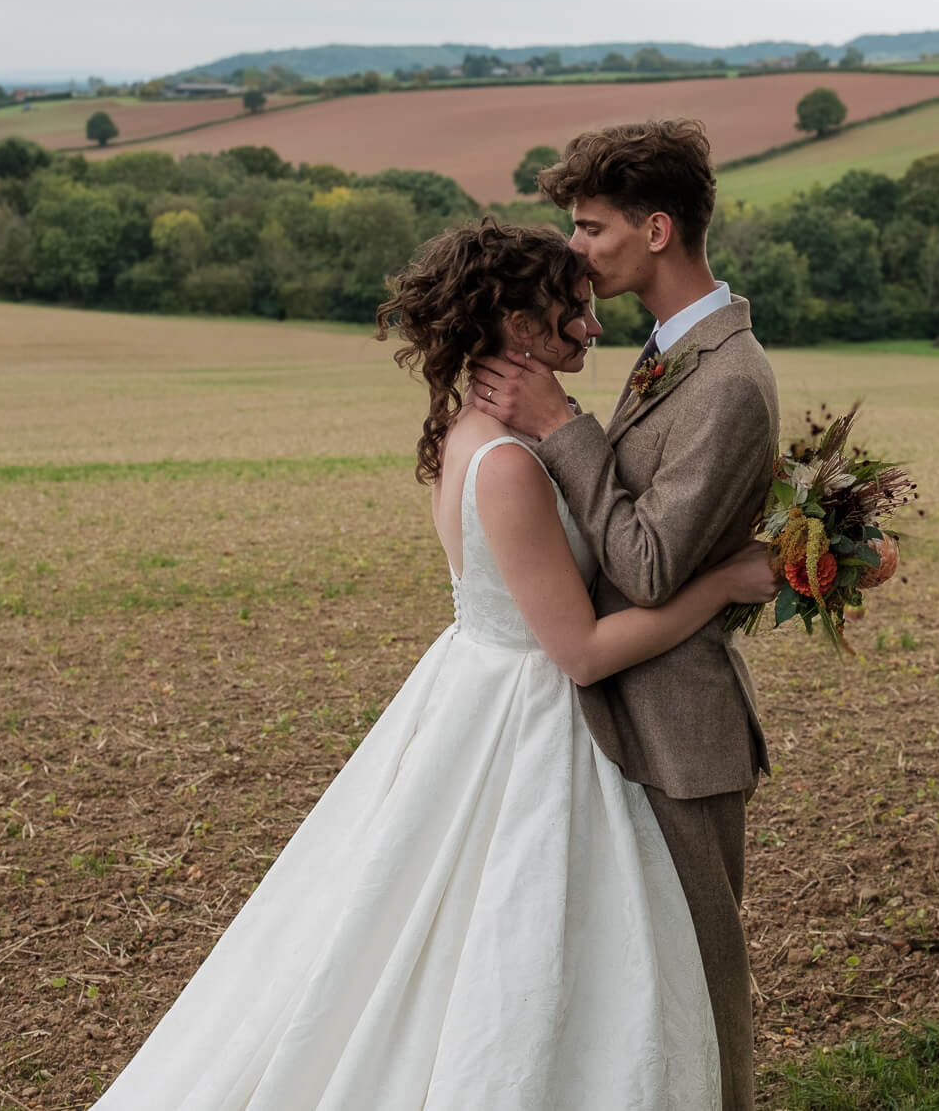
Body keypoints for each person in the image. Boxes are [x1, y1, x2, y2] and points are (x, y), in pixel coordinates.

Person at [91, 220, 777, 1110]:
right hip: (531, 721)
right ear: (517, 324)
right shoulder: (508, 465)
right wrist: (723, 581)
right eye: (572, 311)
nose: (593, 326)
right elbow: (579, 652)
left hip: (482, 694)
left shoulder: (482, 431)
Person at [471, 118, 780, 1111]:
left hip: (681, 728)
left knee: (701, 994)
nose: (575, 248)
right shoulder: (668, 347)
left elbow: (646, 566)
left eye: (591, 227)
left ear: (655, 229)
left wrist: (562, 426)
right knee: (636, 1000)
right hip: (615, 713)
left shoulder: (730, 381)